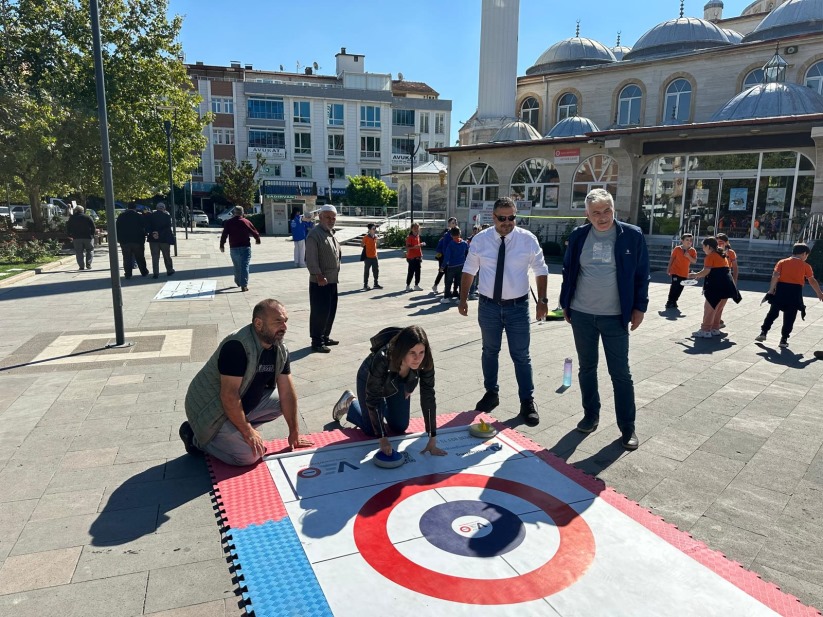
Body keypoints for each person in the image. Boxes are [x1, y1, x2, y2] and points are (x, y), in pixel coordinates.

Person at [559, 189, 649, 450]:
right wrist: (566, 304)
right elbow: (569, 271)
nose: (602, 217)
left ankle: (627, 427)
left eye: (606, 210)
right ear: (587, 214)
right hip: (582, 314)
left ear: (614, 209)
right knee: (587, 368)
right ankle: (590, 416)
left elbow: (641, 274)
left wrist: (639, 308)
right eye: (596, 212)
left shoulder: (631, 235)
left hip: (615, 316)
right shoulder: (578, 236)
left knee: (620, 373)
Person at [179, 299, 313, 466]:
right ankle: (195, 437)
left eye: (285, 321)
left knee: (281, 402)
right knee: (250, 456)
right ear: (258, 323)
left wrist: (294, 432)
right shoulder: (237, 346)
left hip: (236, 402)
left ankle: (234, 431)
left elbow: (287, 392)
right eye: (278, 321)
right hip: (210, 410)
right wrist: (248, 432)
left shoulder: (279, 348)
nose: (284, 327)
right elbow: (228, 396)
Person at [458, 196, 549, 427]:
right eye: (502, 218)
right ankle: (491, 393)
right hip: (488, 307)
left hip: (518, 308)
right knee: (489, 351)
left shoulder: (527, 240)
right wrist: (463, 298)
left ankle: (527, 402)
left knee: (521, 356)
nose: (507, 222)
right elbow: (469, 270)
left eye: (512, 218)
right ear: (493, 217)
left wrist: (543, 301)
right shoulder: (481, 240)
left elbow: (541, 269)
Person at [331, 325, 445, 457]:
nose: (418, 358)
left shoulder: (426, 360)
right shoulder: (383, 358)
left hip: (397, 383)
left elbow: (428, 395)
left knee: (400, 426)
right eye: (412, 352)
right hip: (369, 378)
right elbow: (373, 397)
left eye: (421, 352)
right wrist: (383, 438)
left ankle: (382, 409)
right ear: (403, 351)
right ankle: (350, 402)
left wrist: (432, 438)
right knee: (372, 430)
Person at [756, 243, 823, 348]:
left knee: (772, 313)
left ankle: (763, 332)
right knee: (790, 317)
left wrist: (771, 289)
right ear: (804, 254)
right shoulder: (806, 266)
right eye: (807, 255)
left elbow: (775, 275)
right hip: (795, 293)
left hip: (781, 290)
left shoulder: (782, 262)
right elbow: (812, 280)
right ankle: (783, 339)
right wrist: (819, 293)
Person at [687, 236, 741, 338]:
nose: (703, 249)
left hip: (716, 286)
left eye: (703, 247)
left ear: (708, 246)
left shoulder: (710, 256)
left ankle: (705, 330)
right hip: (727, 285)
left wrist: (694, 275)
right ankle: (715, 328)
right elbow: (714, 271)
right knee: (718, 308)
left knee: (709, 308)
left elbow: (706, 271)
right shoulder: (722, 254)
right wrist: (700, 274)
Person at [305, 204, 342, 353]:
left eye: (333, 218)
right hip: (320, 282)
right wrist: (318, 275)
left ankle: (325, 336)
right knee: (319, 312)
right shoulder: (315, 234)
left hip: (332, 281)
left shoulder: (330, 233)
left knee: (330, 311)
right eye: (328, 217)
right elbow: (311, 259)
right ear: (320, 217)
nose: (331, 220)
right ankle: (317, 341)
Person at [220, 206, 261, 292]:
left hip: (233, 248)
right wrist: (257, 240)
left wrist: (222, 245)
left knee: (237, 266)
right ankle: (244, 285)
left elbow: (224, 234)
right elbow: (254, 231)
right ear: (242, 213)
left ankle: (238, 281)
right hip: (245, 247)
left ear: (234, 213)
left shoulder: (229, 222)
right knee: (244, 266)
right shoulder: (246, 221)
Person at [115, 203, 149, 279]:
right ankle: (144, 272)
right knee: (140, 257)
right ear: (135, 208)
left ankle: (128, 273)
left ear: (128, 208)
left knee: (127, 257)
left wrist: (118, 238)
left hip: (125, 240)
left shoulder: (121, 216)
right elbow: (144, 226)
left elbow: (117, 227)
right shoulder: (139, 216)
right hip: (137, 240)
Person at [665, 233, 697, 309]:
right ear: (682, 241)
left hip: (684, 272)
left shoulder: (692, 251)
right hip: (675, 271)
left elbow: (694, 261)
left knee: (680, 287)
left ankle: (675, 301)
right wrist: (668, 268)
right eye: (687, 240)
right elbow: (672, 259)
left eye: (690, 240)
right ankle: (669, 301)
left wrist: (688, 256)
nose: (689, 242)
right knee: (674, 286)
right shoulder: (677, 249)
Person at [147, 202, 175, 279]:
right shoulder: (167, 216)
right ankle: (169, 270)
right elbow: (167, 228)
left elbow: (148, 227)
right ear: (164, 208)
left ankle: (156, 273)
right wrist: (159, 233)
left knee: (155, 257)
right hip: (164, 239)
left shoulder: (151, 216)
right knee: (167, 256)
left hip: (153, 240)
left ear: (157, 208)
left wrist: (154, 233)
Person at [441, 226, 468, 303]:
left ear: (451, 235)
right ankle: (460, 298)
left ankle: (446, 297)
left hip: (452, 266)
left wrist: (442, 266)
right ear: (460, 234)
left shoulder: (451, 244)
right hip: (462, 265)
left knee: (448, 282)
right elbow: (468, 253)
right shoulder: (464, 243)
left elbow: (447, 257)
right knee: (460, 282)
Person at [432, 217, 457, 294]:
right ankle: (436, 285)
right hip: (444, 256)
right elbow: (444, 247)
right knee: (442, 271)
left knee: (449, 273)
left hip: (452, 257)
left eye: (455, 222)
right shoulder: (447, 235)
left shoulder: (457, 232)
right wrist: (447, 257)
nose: (454, 224)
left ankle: (447, 288)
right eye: (452, 223)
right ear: (449, 224)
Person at [66, 205, 96, 271]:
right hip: (88, 237)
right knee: (90, 250)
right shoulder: (88, 217)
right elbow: (93, 227)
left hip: (77, 237)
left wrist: (69, 235)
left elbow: (68, 227)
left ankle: (81, 266)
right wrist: (92, 234)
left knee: (79, 252)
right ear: (83, 210)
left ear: (75, 210)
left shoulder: (72, 218)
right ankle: (88, 263)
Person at [404, 222, 425, 291]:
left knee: (418, 272)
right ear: (411, 229)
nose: (416, 229)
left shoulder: (417, 236)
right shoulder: (410, 237)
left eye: (417, 228)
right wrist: (416, 246)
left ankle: (416, 285)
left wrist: (421, 254)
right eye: (414, 228)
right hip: (412, 257)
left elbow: (418, 247)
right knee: (411, 272)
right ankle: (408, 285)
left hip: (418, 257)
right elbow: (407, 247)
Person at [361, 223, 382, 290]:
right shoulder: (366, 237)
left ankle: (376, 283)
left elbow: (376, 244)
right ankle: (365, 285)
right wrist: (366, 247)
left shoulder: (375, 236)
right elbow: (362, 244)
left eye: (375, 228)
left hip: (375, 256)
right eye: (373, 228)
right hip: (368, 257)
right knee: (366, 271)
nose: (374, 230)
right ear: (369, 230)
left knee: (376, 270)